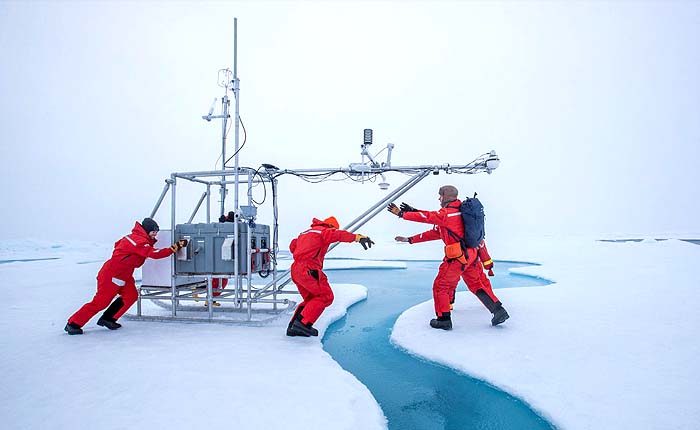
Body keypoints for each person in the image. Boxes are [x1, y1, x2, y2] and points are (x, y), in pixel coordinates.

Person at [64, 218, 187, 335]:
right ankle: (73, 323)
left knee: (131, 296)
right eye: (153, 232)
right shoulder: (137, 241)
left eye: (156, 233)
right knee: (100, 302)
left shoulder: (137, 239)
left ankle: (108, 319)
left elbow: (119, 246)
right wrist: (176, 246)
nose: (155, 235)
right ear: (146, 230)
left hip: (125, 274)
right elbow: (156, 254)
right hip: (112, 274)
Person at [388, 185, 477, 330]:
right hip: (467, 254)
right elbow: (434, 229)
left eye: (440, 196)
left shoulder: (448, 214)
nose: (438, 198)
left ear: (446, 196)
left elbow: (430, 217)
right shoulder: (457, 212)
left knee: (441, 285)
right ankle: (495, 310)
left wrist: (402, 214)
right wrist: (409, 239)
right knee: (449, 284)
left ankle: (443, 320)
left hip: (457, 255)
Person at [286, 216, 375, 337]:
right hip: (309, 269)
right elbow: (338, 235)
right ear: (331, 226)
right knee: (325, 296)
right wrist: (357, 237)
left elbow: (292, 246)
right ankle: (302, 324)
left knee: (311, 299)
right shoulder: (324, 231)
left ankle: (293, 326)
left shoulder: (305, 233)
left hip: (296, 270)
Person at [451, 239, 510, 325]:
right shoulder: (475, 232)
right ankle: (493, 301)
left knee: (476, 286)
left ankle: (497, 310)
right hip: (476, 262)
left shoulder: (458, 232)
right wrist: (488, 266)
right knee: (483, 282)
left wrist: (448, 303)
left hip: (464, 261)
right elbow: (482, 248)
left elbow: (451, 282)